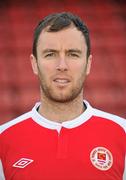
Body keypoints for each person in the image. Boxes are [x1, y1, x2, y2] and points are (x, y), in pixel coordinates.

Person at [0, 12, 125, 180]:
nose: (62, 66)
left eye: (73, 54)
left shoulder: (122, 134)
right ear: (34, 64)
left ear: (88, 64)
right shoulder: (4, 139)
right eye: (50, 54)